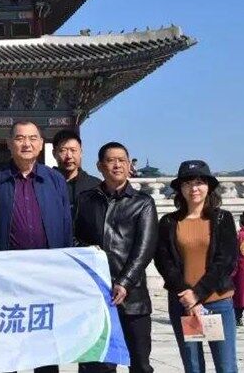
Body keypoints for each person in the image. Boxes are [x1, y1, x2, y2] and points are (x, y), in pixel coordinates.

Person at [0, 121, 71, 373]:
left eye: (32, 138)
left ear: (41, 144)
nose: (26, 144)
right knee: (7, 346)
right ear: (9, 143)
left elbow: (65, 225)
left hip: (46, 276)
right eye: (19, 138)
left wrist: (64, 269)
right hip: (7, 277)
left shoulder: (55, 180)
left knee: (45, 346)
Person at [74, 142, 159, 373]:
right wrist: (89, 251)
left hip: (133, 298)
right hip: (96, 295)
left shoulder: (143, 203)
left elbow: (145, 248)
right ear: (100, 166)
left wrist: (125, 281)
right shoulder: (85, 200)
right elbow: (74, 238)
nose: (117, 165)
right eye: (111, 160)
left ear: (130, 165)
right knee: (97, 365)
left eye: (122, 160)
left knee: (140, 363)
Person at [155, 160, 238, 373]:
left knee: (226, 366)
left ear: (208, 186)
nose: (194, 188)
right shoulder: (169, 222)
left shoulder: (222, 218)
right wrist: (186, 294)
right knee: (193, 366)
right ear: (180, 188)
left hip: (217, 301)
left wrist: (197, 294)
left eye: (199, 182)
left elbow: (226, 260)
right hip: (183, 304)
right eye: (188, 183)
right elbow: (164, 261)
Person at [52, 129, 101, 223]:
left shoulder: (95, 185)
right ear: (54, 153)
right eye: (63, 150)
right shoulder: (44, 183)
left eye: (73, 150)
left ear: (81, 152)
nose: (69, 156)